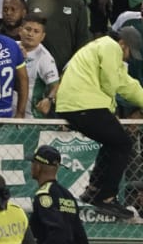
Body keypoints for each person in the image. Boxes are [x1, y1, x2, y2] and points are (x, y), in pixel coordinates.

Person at [55, 26, 143, 220]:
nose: (126, 58)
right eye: (128, 53)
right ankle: (107, 198)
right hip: (84, 104)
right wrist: (112, 110)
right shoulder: (111, 47)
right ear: (122, 43)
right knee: (123, 143)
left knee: (112, 141)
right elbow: (111, 82)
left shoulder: (99, 47)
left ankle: (93, 190)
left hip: (76, 103)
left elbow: (127, 84)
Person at [28, 145, 90, 244]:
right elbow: (79, 233)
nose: (31, 167)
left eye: (32, 163)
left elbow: (57, 230)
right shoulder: (67, 195)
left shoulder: (44, 195)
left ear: (38, 167)